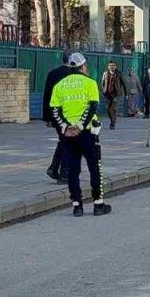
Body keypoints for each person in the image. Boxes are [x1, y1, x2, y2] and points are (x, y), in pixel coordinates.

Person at [49, 53, 111, 217]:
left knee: (72, 170)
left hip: (68, 136)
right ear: (83, 67)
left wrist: (65, 127)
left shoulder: (59, 85)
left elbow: (54, 110)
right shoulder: (90, 83)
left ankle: (77, 206)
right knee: (94, 168)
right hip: (88, 133)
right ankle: (98, 204)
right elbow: (92, 107)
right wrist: (81, 125)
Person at [41, 55, 75, 184]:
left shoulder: (53, 73)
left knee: (64, 141)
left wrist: (47, 117)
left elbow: (47, 96)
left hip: (56, 115)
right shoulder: (74, 76)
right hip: (69, 115)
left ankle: (54, 168)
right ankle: (64, 174)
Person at [100, 61, 127, 130]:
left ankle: (113, 124)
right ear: (108, 67)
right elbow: (102, 83)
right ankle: (112, 121)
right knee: (108, 109)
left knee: (114, 108)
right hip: (108, 94)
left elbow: (124, 84)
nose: (111, 67)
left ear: (115, 66)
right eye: (110, 65)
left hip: (116, 94)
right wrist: (103, 90)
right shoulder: (105, 73)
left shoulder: (119, 74)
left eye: (113, 65)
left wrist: (126, 94)